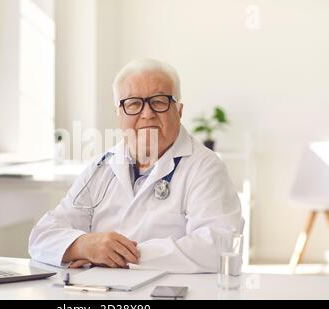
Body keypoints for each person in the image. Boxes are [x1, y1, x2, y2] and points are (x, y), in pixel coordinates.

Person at [29, 58, 242, 273]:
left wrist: (115, 255)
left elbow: (219, 248)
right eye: (133, 103)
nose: (147, 114)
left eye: (159, 101)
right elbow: (42, 236)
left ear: (178, 111)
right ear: (119, 114)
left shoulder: (205, 167)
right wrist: (83, 246)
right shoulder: (102, 166)